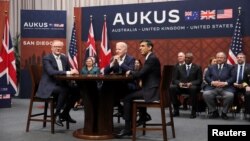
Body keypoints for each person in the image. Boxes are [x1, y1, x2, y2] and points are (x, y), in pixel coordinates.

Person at [116, 40, 161, 138]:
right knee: (132, 93)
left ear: (150, 47)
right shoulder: (150, 58)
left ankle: (128, 129)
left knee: (127, 98)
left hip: (151, 91)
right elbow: (143, 73)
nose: (140, 48)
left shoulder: (151, 59)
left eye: (143, 46)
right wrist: (132, 72)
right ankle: (143, 115)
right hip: (150, 88)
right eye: (140, 46)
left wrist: (130, 72)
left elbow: (140, 74)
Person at [36, 40, 79, 126]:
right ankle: (57, 115)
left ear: (62, 48)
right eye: (56, 47)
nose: (58, 48)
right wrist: (68, 72)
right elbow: (51, 72)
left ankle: (65, 113)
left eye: (60, 47)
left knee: (78, 91)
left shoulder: (64, 58)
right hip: (49, 86)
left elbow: (69, 70)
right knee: (64, 90)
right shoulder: (47, 58)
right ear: (52, 48)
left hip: (61, 84)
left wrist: (74, 71)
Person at [103, 42, 135, 117]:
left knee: (111, 91)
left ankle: (122, 109)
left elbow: (130, 70)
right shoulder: (114, 58)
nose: (117, 51)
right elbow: (106, 72)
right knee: (105, 89)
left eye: (119, 49)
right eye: (116, 49)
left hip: (127, 84)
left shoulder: (131, 59)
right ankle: (120, 109)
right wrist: (112, 63)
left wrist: (120, 62)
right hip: (116, 84)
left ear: (125, 50)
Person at [203, 52, 235, 120]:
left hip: (226, 88)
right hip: (213, 87)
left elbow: (233, 78)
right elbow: (207, 77)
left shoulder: (230, 67)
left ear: (225, 59)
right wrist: (212, 82)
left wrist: (225, 83)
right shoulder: (211, 67)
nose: (219, 59)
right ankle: (214, 111)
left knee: (230, 95)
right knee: (206, 94)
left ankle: (224, 112)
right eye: (218, 57)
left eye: (221, 57)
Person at [169, 52, 202, 118]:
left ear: (192, 59)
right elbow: (174, 80)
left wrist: (191, 83)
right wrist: (179, 83)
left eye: (188, 58)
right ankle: (176, 110)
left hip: (191, 88)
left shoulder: (197, 67)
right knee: (172, 87)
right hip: (181, 87)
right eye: (186, 58)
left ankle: (193, 111)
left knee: (193, 88)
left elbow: (199, 80)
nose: (187, 59)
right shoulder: (179, 67)